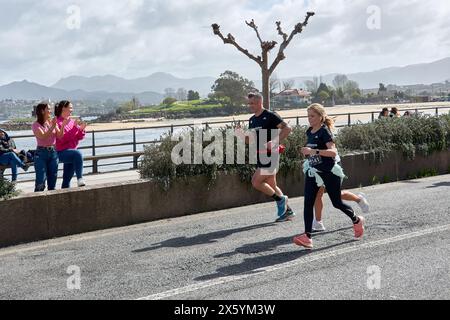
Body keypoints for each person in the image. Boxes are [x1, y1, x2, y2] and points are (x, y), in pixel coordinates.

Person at [293, 103, 365, 249]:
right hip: (313, 172)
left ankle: (356, 220)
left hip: (329, 172)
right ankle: (307, 236)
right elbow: (312, 151)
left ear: (321, 117)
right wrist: (307, 152)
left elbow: (333, 152)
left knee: (337, 202)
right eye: (308, 116)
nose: (309, 119)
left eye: (312, 116)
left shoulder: (325, 131)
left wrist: (315, 152)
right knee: (308, 202)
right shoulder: (310, 131)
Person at [236, 92, 294, 222]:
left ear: (260, 102)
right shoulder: (252, 120)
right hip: (260, 155)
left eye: (253, 103)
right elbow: (249, 140)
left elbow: (287, 129)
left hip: (271, 154)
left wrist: (274, 142)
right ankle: (288, 211)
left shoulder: (270, 116)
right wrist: (240, 134)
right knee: (271, 185)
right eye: (249, 103)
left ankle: (281, 200)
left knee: (256, 182)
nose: (250, 105)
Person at [32, 103, 67, 192]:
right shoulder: (35, 125)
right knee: (41, 179)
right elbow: (43, 136)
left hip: (53, 153)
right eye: (48, 109)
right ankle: (38, 201)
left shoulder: (50, 123)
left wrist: (62, 125)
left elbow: (59, 136)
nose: (50, 111)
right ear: (42, 111)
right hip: (41, 154)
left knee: (53, 177)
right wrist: (53, 126)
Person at [54, 100, 86, 188]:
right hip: (61, 152)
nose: (72, 110)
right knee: (78, 154)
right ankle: (80, 178)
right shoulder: (57, 122)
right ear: (63, 108)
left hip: (71, 152)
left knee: (67, 179)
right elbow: (63, 139)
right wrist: (75, 129)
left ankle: (64, 194)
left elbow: (79, 137)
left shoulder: (72, 121)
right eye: (70, 108)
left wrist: (81, 129)